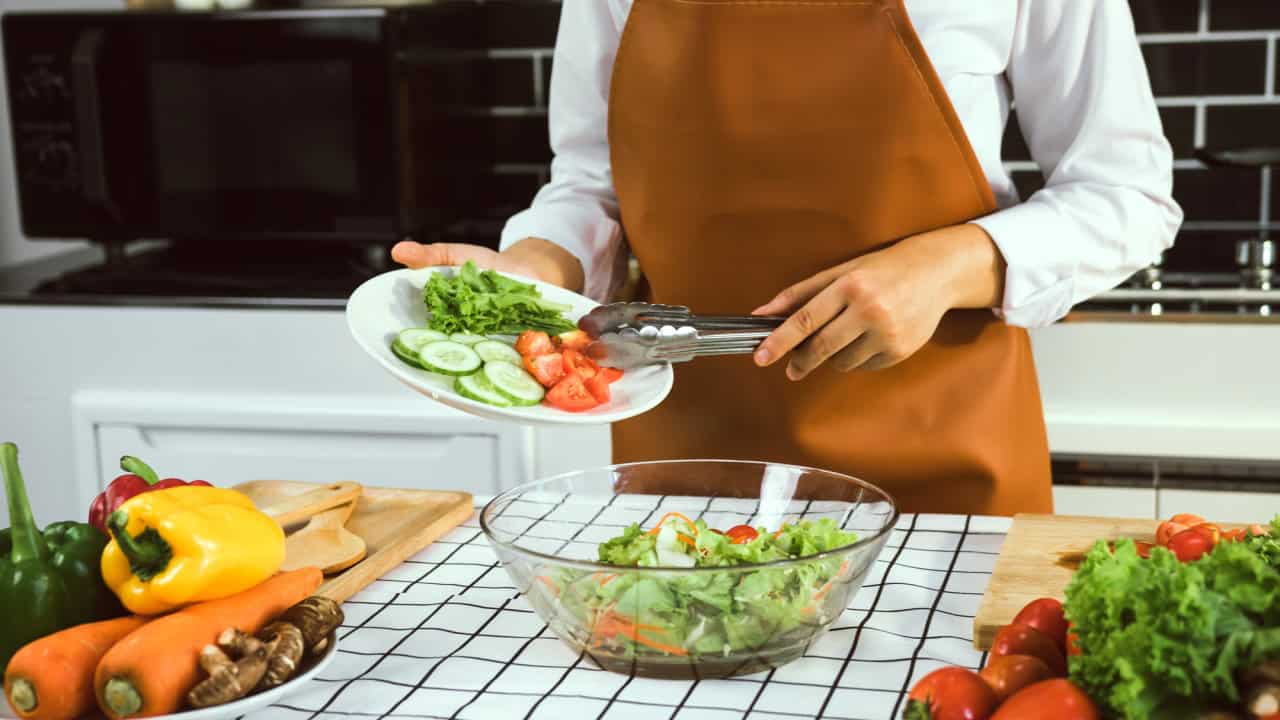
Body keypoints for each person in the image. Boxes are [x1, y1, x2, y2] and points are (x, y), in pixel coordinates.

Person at [392, 0, 1182, 515]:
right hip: (689, 474)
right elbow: (595, 185)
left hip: (947, 472)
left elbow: (1127, 193)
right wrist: (534, 274)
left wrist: (949, 264)